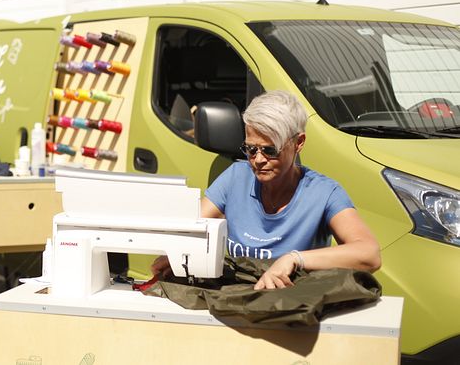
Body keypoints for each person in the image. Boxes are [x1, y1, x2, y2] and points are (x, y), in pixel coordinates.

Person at [152, 90, 381, 290]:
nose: (258, 160)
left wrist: (295, 259)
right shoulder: (235, 178)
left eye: (270, 150)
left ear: (298, 142)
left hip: (292, 311)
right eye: (250, 149)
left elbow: (369, 254)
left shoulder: (324, 193)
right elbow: (191, 228)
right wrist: (173, 254)